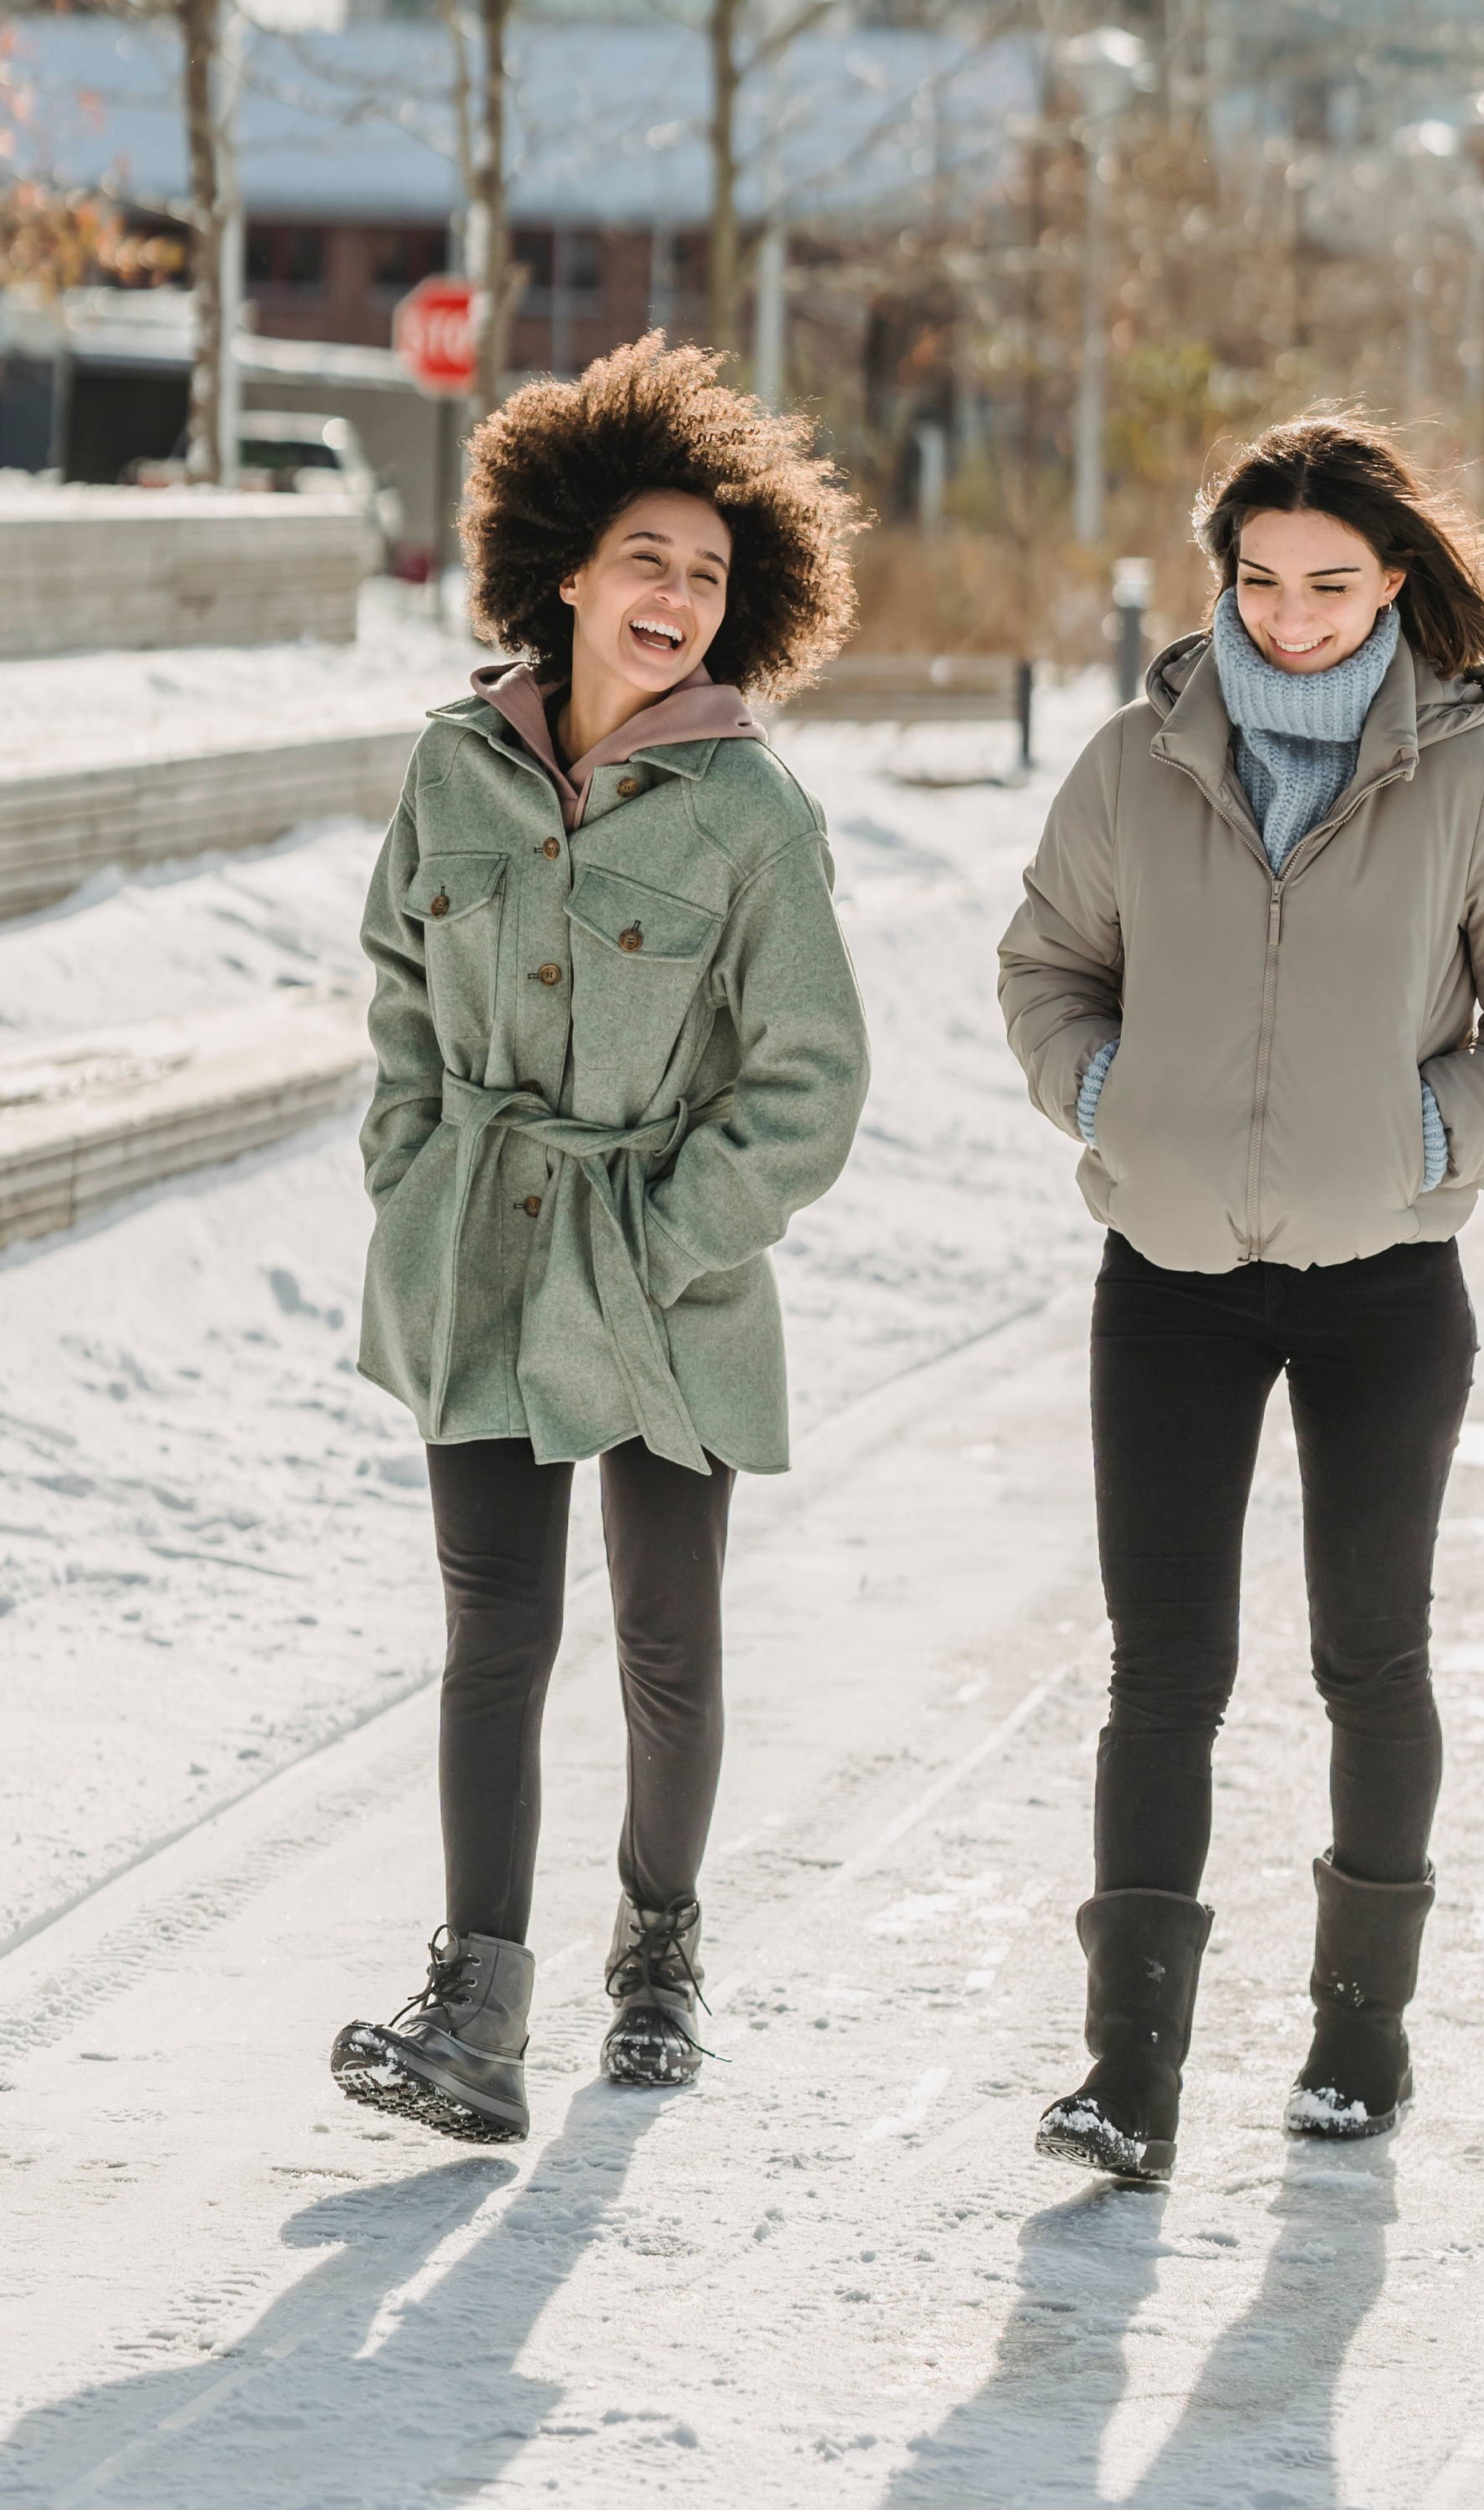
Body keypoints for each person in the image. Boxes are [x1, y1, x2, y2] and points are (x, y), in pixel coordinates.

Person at [997, 407, 1484, 2184]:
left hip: (1386, 1283)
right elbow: (1047, 967)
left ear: (1394, 583)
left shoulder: (1472, 783)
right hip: (1170, 1281)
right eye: (1258, 583)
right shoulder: (1134, 761)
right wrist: (1113, 1103)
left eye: (1328, 585)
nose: (1288, 616)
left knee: (1371, 1660)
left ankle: (1361, 2042)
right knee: (1163, 1671)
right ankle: (1129, 2076)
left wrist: (1434, 1131)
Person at [331, 336, 870, 2144]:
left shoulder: (752, 813)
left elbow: (811, 1079)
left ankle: (658, 1957)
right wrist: (412, 1163)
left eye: (711, 577)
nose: (677, 595)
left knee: (664, 1638)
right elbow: (400, 988)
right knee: (494, 1628)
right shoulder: (451, 773)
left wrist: (661, 1234)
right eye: (649, 557)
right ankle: (474, 2001)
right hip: (479, 1253)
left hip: (663, 1283)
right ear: (565, 566)